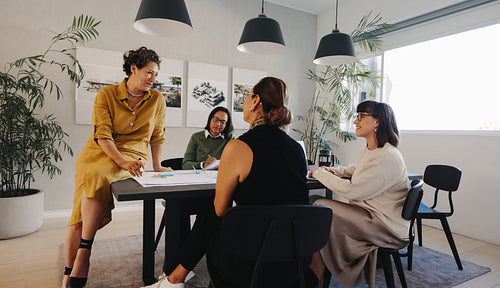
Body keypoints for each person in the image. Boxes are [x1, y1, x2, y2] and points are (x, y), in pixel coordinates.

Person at [142, 77, 311, 288]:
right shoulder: (297, 149)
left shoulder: (238, 147)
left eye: (247, 95)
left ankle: (174, 279)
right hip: (294, 260)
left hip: (247, 262)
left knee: (212, 212)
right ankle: (175, 278)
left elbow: (221, 209)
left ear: (256, 100)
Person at [63, 47, 173, 288]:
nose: (153, 79)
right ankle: (83, 252)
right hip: (98, 151)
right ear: (133, 69)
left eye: (156, 74)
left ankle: (73, 267)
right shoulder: (106, 94)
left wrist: (156, 166)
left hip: (134, 154)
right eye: (149, 73)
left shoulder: (157, 100)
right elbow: (102, 134)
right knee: (91, 183)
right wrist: (121, 161)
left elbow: (157, 135)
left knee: (80, 212)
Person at [308, 100, 410, 288]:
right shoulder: (376, 150)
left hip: (384, 226)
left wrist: (320, 173)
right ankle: (316, 277)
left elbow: (353, 191)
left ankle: (315, 279)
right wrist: (335, 171)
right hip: (373, 216)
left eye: (361, 117)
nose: (355, 122)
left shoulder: (387, 157)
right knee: (319, 216)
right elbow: (358, 169)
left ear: (377, 122)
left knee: (319, 209)